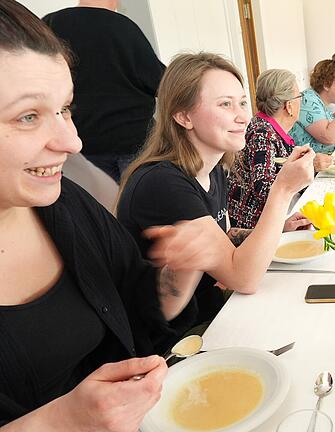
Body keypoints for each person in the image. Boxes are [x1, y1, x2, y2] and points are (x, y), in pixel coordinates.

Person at [0, 1, 206, 428]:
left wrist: (177, 276)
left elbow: (139, 308)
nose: (72, 141)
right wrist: (60, 422)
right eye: (28, 116)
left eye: (65, 109)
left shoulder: (65, 204)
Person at [117, 53, 315, 325]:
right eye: (225, 104)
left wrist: (280, 227)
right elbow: (243, 277)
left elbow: (226, 236)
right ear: (183, 116)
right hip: (172, 338)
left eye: (243, 103)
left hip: (210, 311)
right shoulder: (163, 183)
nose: (243, 117)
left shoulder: (214, 169)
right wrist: (282, 191)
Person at [42, 0, 165, 182]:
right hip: (134, 140)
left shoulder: (49, 24)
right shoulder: (123, 27)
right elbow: (161, 82)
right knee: (144, 203)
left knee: (101, 207)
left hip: (82, 144)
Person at [228, 69, 332, 228]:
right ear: (289, 106)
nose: (302, 102)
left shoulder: (269, 128)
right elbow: (262, 188)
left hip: (274, 216)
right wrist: (308, 166)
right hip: (256, 226)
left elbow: (279, 167)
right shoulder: (262, 133)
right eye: (300, 97)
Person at [288, 59, 335, 155]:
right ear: (326, 84)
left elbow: (333, 123)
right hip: (312, 167)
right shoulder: (308, 100)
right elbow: (329, 137)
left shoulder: (317, 100)